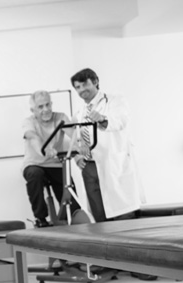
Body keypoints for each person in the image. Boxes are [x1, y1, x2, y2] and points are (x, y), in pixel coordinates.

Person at [70, 68, 144, 222]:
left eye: (85, 84)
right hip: (89, 166)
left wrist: (102, 119)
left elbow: (121, 120)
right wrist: (76, 156)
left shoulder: (115, 101)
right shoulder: (80, 112)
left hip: (113, 162)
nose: (81, 90)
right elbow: (76, 137)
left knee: (122, 214)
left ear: (96, 82)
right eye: (77, 87)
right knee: (99, 216)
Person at [21, 90, 72, 227]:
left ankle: (70, 217)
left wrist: (80, 146)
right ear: (33, 110)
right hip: (34, 163)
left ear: (51, 104)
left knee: (68, 189)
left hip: (55, 164)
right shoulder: (29, 122)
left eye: (48, 104)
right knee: (34, 174)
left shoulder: (61, 117)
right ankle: (40, 218)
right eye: (40, 107)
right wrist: (44, 150)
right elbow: (33, 137)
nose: (46, 109)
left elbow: (73, 134)